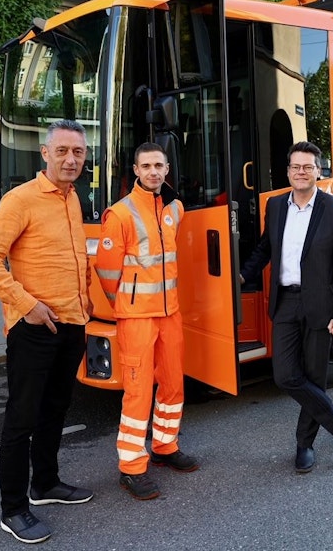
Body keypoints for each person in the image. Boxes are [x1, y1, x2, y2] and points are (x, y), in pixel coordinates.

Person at [0, 119, 94, 545]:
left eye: (77, 152)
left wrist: (87, 299)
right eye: (62, 151)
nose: (70, 159)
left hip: (72, 323)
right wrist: (27, 305)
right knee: (21, 419)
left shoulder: (74, 198)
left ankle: (45, 484)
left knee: (56, 409)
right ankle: (14, 509)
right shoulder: (20, 199)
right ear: (45, 154)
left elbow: (76, 257)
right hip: (33, 328)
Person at [240, 141, 333, 473]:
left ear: (319, 171)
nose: (301, 172)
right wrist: (242, 274)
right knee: (286, 375)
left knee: (314, 376)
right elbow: (266, 246)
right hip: (286, 301)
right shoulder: (276, 206)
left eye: (308, 167)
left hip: (321, 305)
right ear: (288, 171)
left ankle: (304, 445)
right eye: (296, 167)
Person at [96, 142, 199, 501]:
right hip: (137, 317)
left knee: (172, 384)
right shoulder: (120, 213)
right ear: (136, 171)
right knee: (138, 392)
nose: (153, 172)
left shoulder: (173, 208)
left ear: (167, 170)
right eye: (146, 166)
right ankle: (131, 467)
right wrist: (125, 303)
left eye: (159, 165)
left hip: (170, 315)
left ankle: (165, 446)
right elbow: (107, 272)